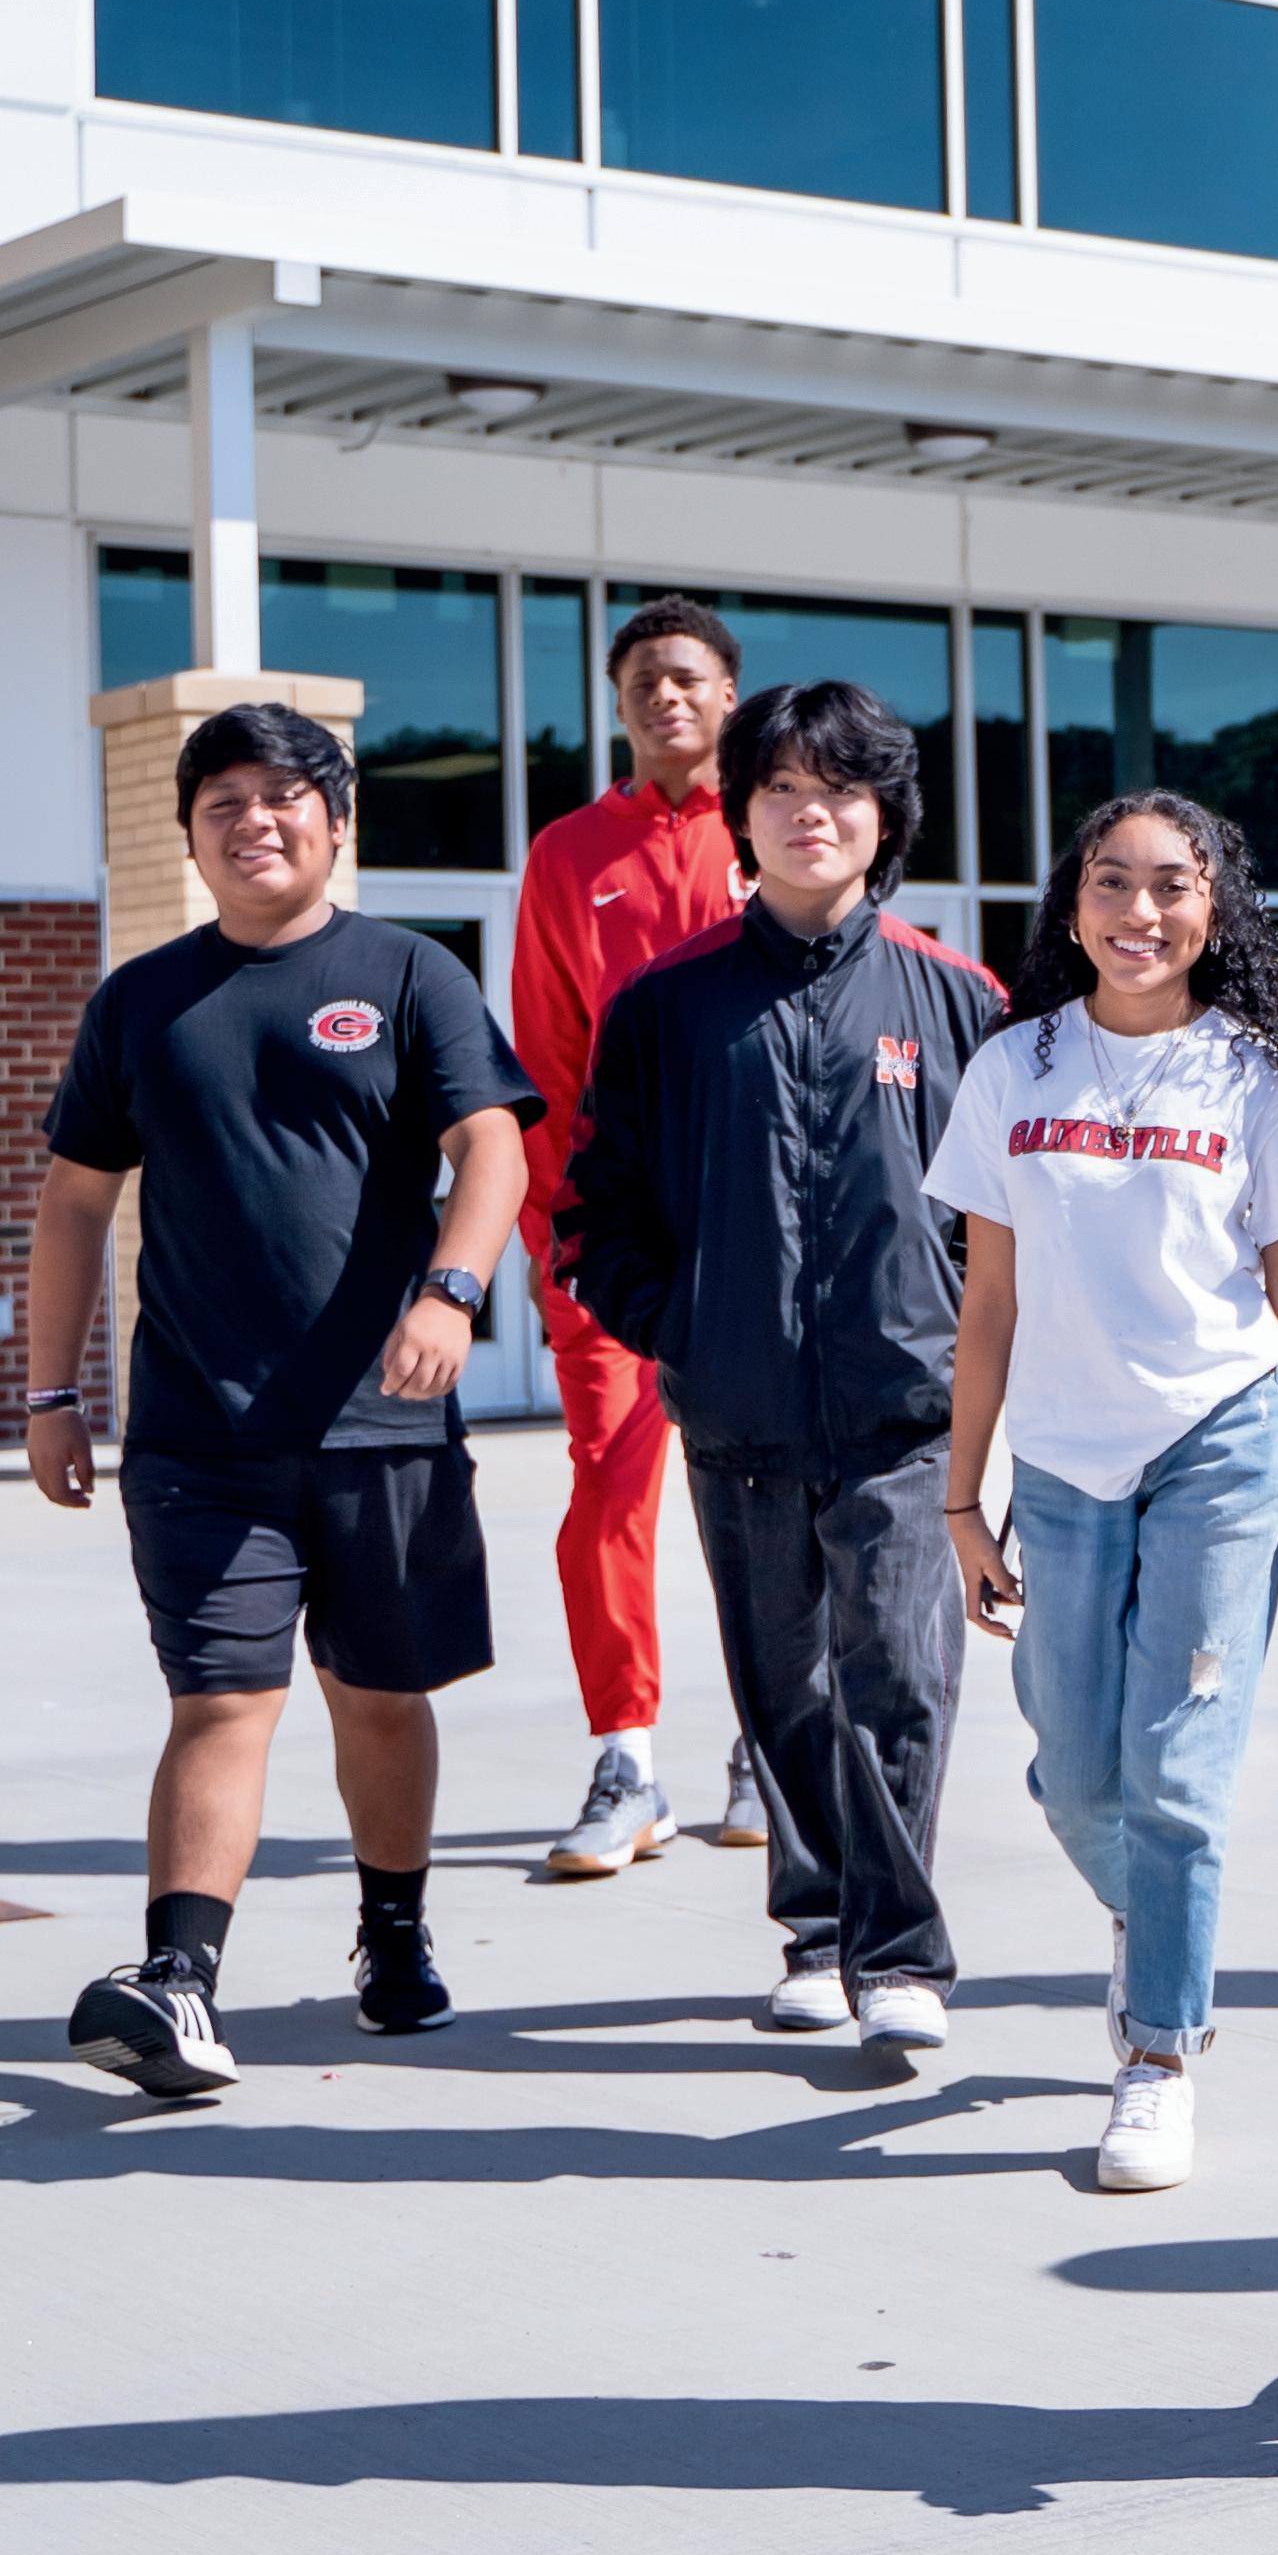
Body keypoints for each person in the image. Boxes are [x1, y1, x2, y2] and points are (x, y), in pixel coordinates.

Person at [25, 702, 538, 2098]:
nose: (254, 820)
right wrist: (51, 1389)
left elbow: (491, 1145)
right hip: (199, 1433)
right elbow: (74, 1202)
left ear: (335, 821)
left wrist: (451, 1290)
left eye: (282, 795)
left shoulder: (410, 971)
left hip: (382, 1425)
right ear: (189, 838)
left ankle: (393, 1930)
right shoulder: (139, 1001)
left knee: (378, 1697)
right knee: (220, 1703)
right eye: (223, 803)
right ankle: (176, 1980)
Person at [555, 680, 1003, 2056]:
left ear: (886, 819)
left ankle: (899, 1953)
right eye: (782, 789)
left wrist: (960, 1339)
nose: (812, 812)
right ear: (740, 817)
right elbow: (595, 1211)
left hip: (906, 1411)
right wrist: (686, 1323)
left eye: (841, 789)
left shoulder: (959, 1000)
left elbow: (1006, 1219)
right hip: (738, 1408)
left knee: (901, 1673)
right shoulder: (665, 1006)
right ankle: (815, 1930)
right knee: (784, 1683)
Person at [929, 793, 1278, 2194]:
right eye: (1110, 882)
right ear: (1072, 908)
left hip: (1218, 1446)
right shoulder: (1014, 1068)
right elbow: (987, 1303)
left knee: (1175, 1772)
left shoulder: (1255, 1075)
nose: (1139, 910)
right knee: (1074, 1772)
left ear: (1211, 910)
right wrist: (961, 1501)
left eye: (1171, 884)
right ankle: (1152, 1910)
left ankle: (1158, 2056)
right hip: (1062, 1461)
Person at [511, 593, 767, 1878]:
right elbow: (545, 1061)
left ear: (727, 694)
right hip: (618, 1240)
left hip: (760, 1231)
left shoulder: (776, 826)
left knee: (767, 1500)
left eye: (684, 677)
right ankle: (627, 1762)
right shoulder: (569, 855)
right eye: (639, 683)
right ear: (616, 708)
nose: (663, 697)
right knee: (609, 1492)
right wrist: (558, 1237)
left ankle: (767, 1746)